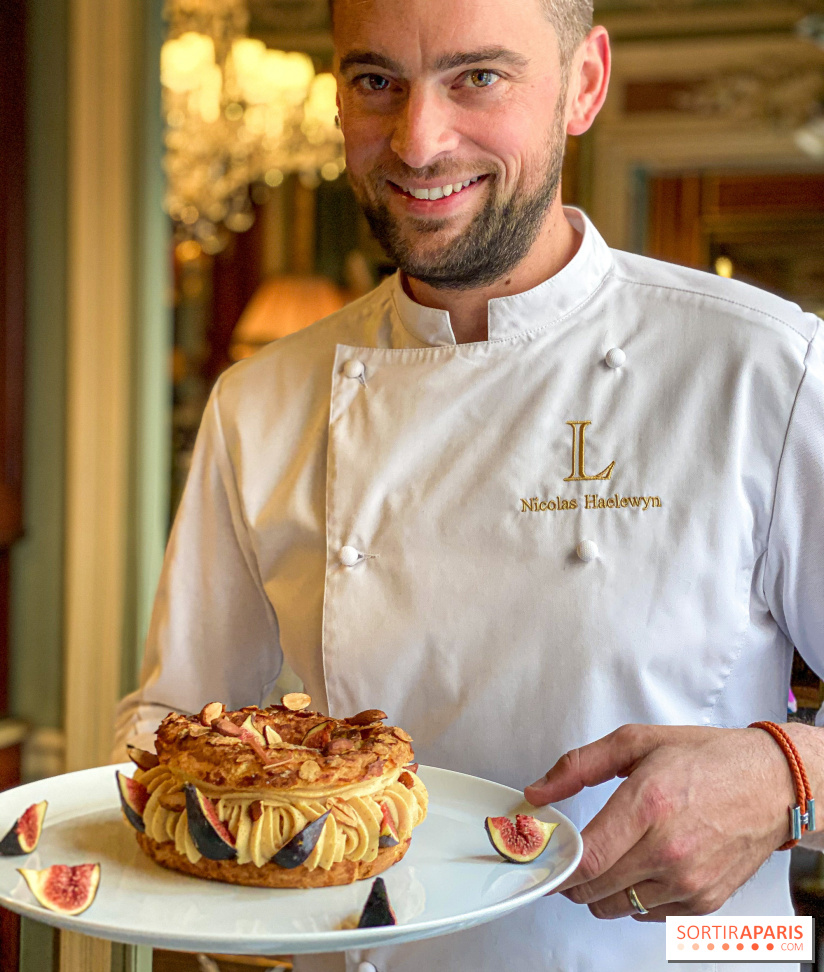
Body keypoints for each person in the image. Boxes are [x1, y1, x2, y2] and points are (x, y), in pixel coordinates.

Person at [115, 0, 824, 969]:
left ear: (583, 84)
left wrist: (789, 772)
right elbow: (178, 735)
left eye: (476, 78)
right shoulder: (260, 402)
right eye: (376, 83)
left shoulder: (763, 369)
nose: (417, 141)